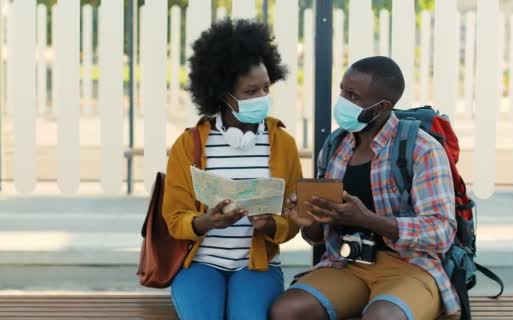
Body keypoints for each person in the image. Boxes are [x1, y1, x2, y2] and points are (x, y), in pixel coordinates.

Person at [271, 56, 459, 320]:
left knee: (381, 316)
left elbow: (442, 231)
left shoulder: (421, 149)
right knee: (286, 310)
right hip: (348, 263)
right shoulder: (336, 145)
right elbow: (316, 234)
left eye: (353, 96)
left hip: (410, 267)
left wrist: (369, 221)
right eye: (342, 90)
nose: (343, 101)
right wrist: (309, 221)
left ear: (382, 106)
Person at [162, 19, 302, 320]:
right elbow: (174, 219)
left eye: (266, 87)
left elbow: (293, 220)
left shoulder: (283, 144)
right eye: (251, 91)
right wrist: (206, 222)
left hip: (257, 266)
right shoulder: (189, 145)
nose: (263, 97)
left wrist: (272, 225)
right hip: (201, 264)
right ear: (225, 96)